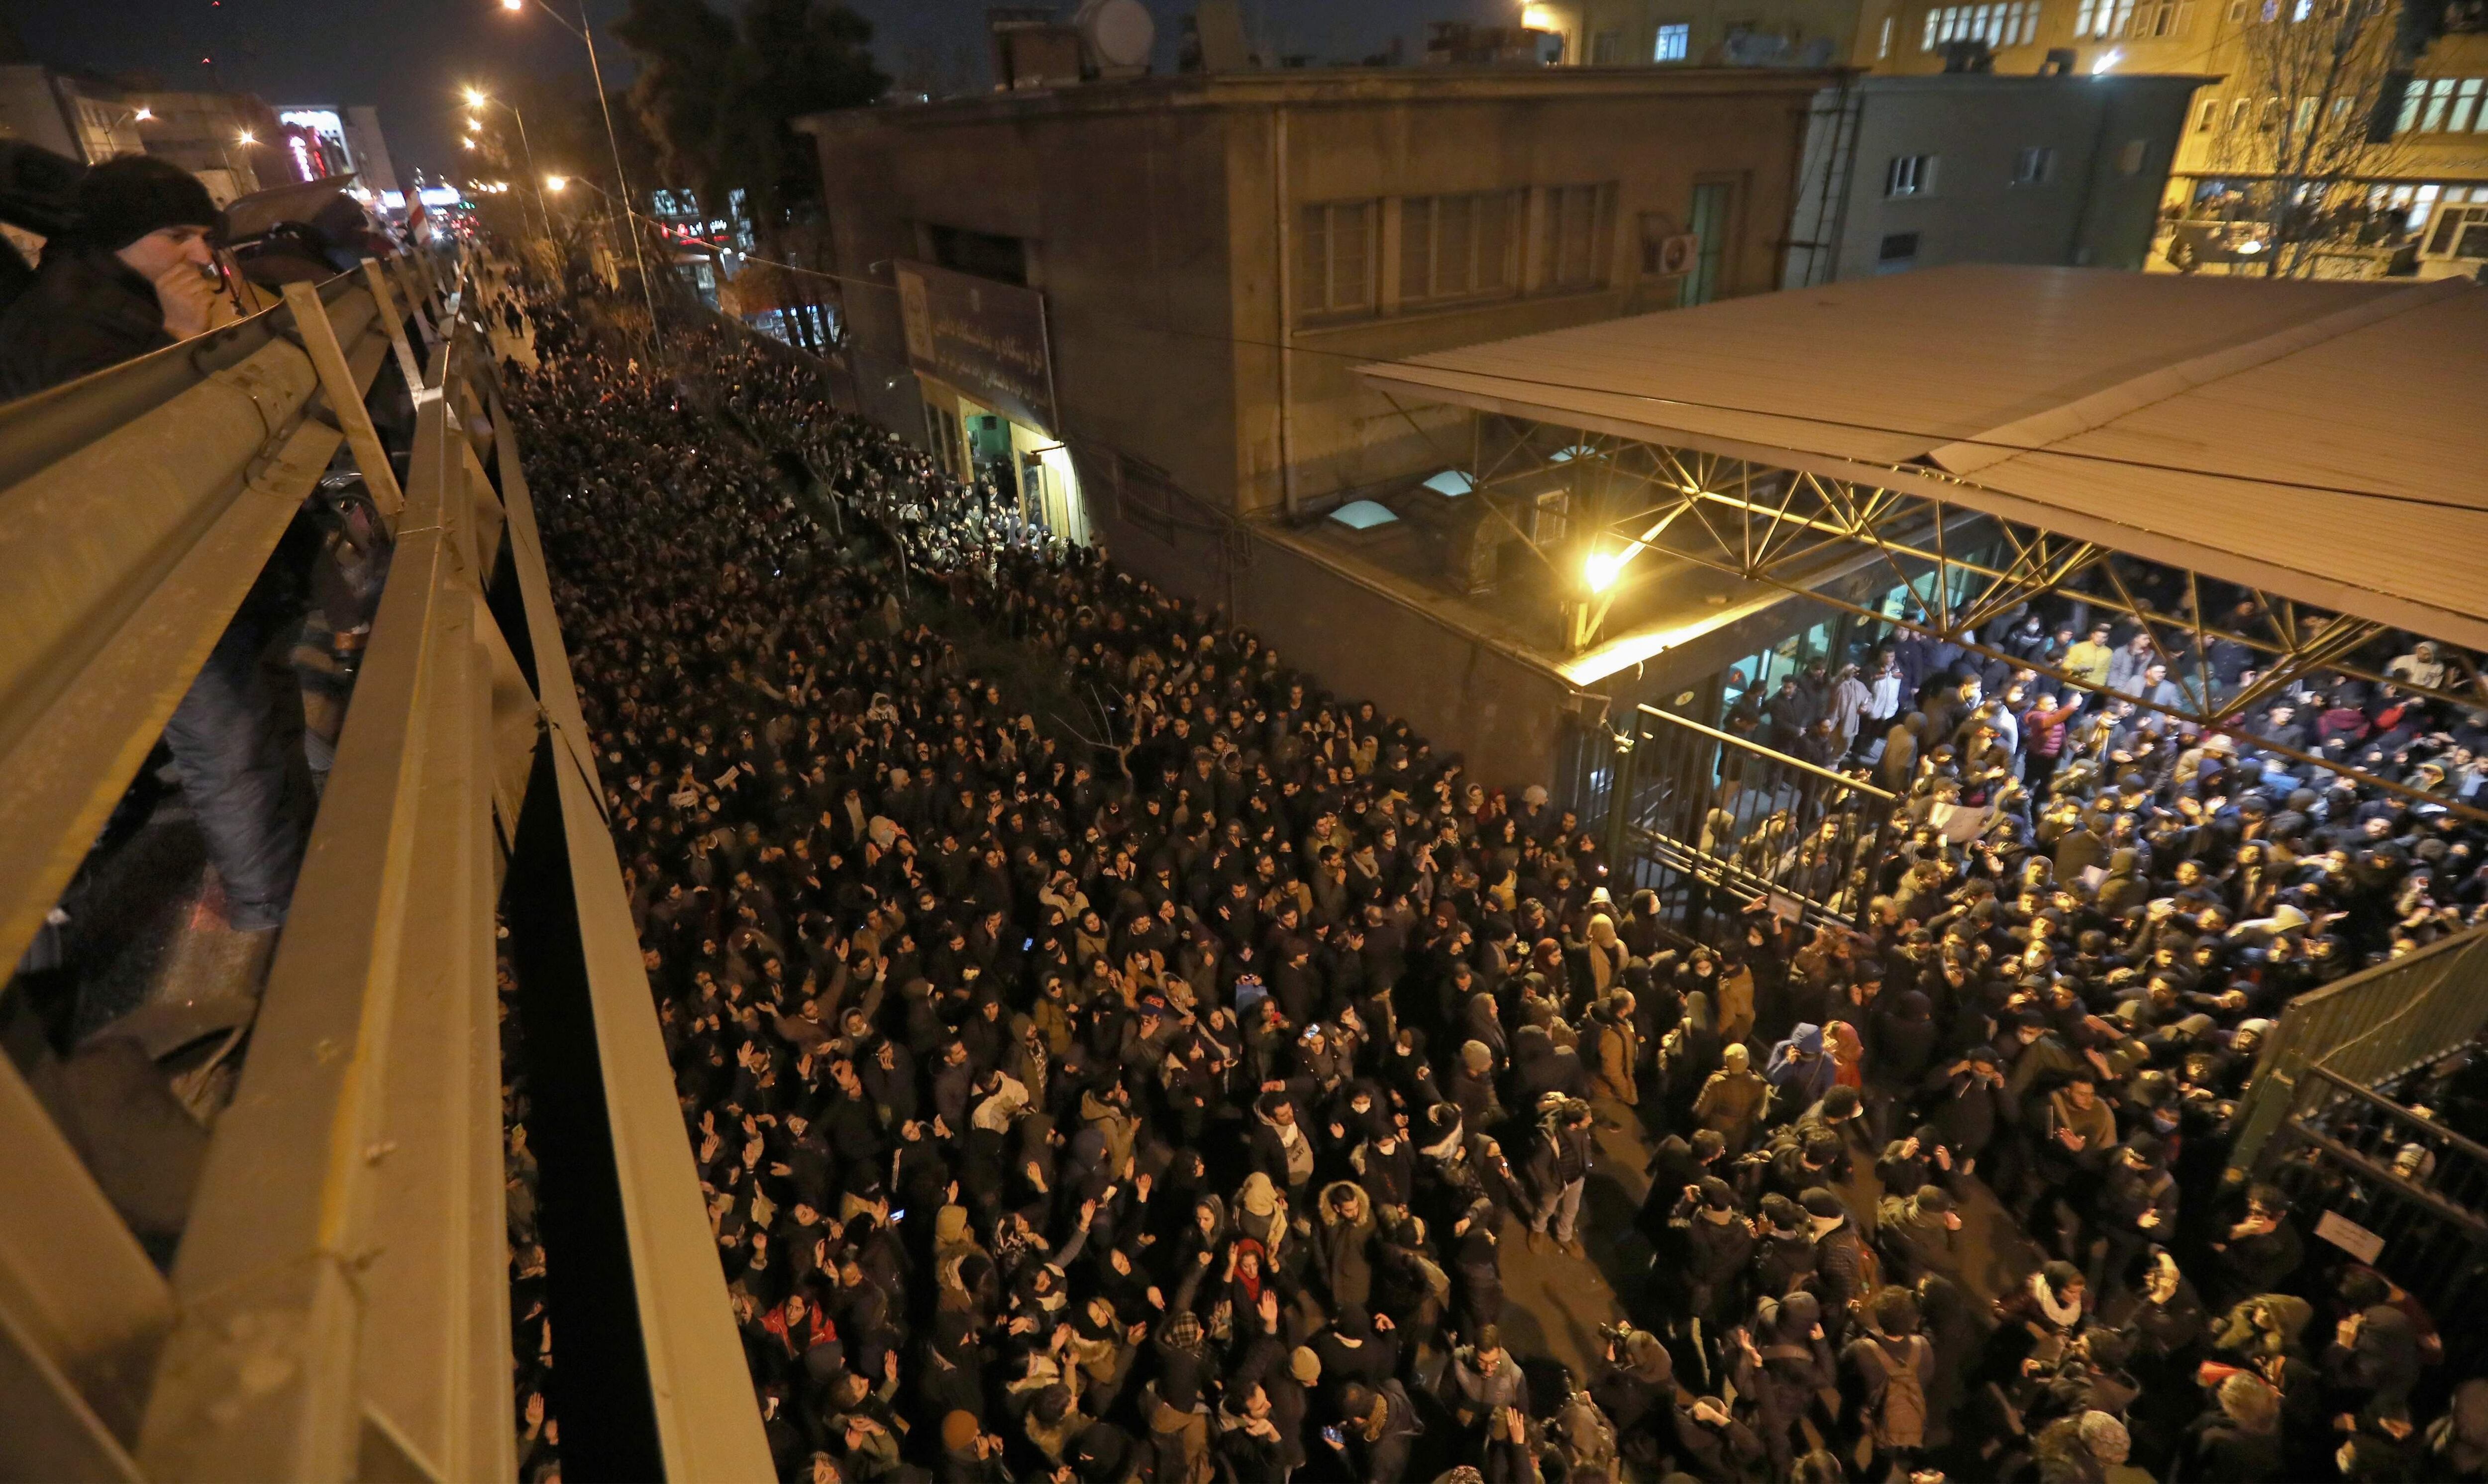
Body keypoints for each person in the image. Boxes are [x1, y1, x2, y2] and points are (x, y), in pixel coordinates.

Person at [3, 157, 314, 933]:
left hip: (207, 554)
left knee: (260, 723)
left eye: (203, 236)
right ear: (119, 235)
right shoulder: (67, 324)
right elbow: (124, 460)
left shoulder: (121, 300)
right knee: (229, 745)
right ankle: (274, 912)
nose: (200, 255)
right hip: (155, 577)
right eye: (178, 236)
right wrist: (182, 340)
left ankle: (297, 873)